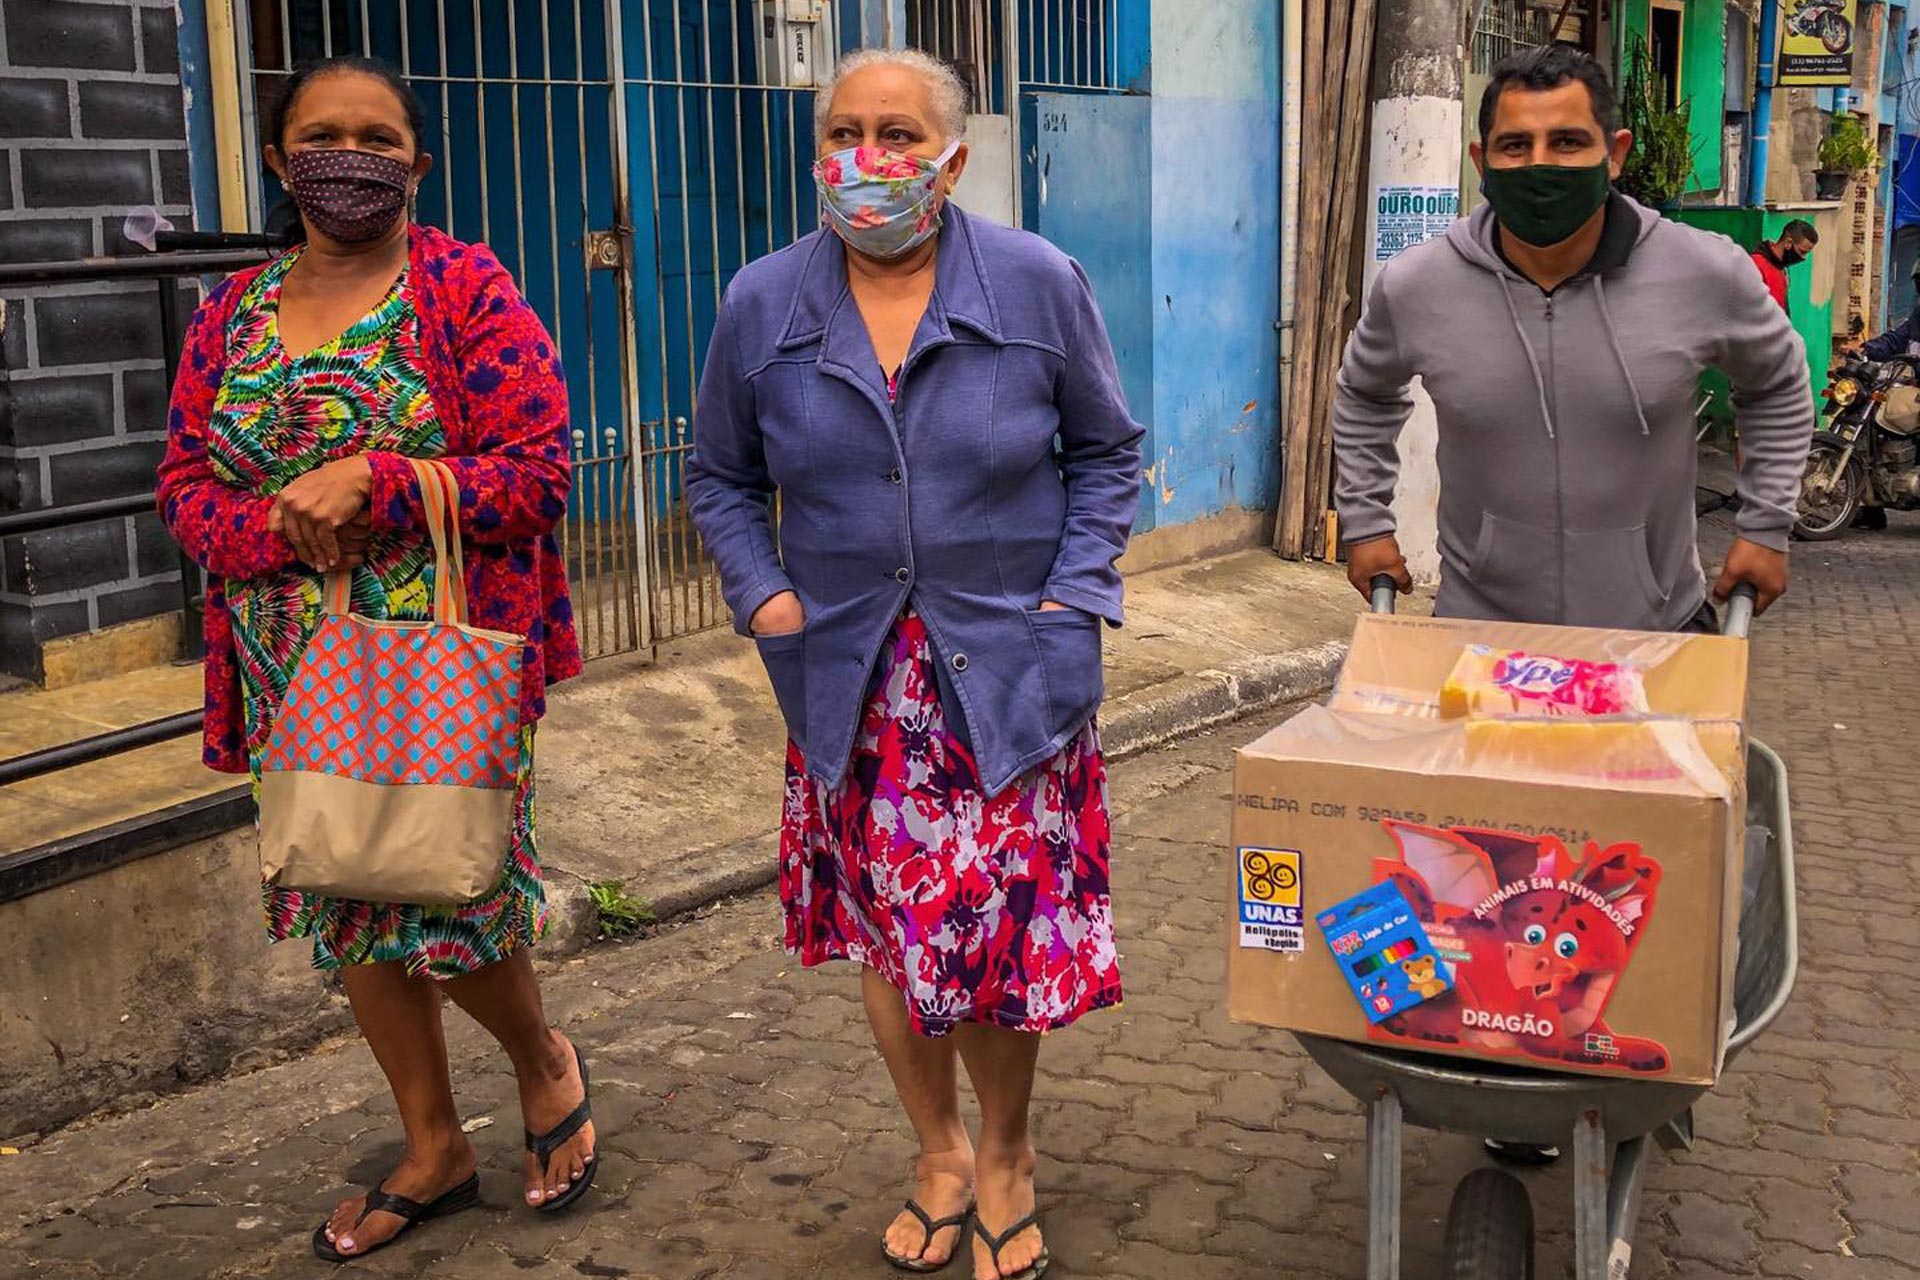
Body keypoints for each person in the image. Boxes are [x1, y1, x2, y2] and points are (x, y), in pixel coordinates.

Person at [687, 47, 1142, 1280]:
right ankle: (933, 1147)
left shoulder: (1039, 282)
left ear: (952, 159)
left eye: (897, 135)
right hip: (849, 682)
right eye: (844, 131)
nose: (866, 160)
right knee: (892, 932)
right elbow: (719, 476)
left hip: (1007, 669)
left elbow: (1107, 453)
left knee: (993, 938)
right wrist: (767, 598)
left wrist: (1071, 594)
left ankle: (1005, 1153)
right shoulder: (763, 301)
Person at [157, 57, 595, 1261]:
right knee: (346, 896)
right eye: (321, 135)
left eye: (376, 137)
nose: (348, 157)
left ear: (418, 163)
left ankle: (544, 1061)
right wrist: (284, 524)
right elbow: (186, 484)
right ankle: (433, 1141)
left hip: (437, 658)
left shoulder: (465, 288)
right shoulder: (228, 315)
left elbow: (542, 470)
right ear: (278, 158)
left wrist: (381, 482)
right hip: (291, 663)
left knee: (450, 897)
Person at [1337, 44, 1813, 637]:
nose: (1541, 165)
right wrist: (1366, 522)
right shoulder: (1418, 285)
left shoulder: (1703, 273)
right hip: (1479, 635)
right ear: (1482, 162)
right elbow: (1363, 392)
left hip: (1656, 627)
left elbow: (1777, 383)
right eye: (1516, 146)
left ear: (1614, 154)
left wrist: (1765, 526)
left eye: (1567, 142)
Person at [1751, 219, 1818, 314]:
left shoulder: (1782, 270)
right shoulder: (1756, 265)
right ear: (1788, 242)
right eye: (1802, 251)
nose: (1803, 257)